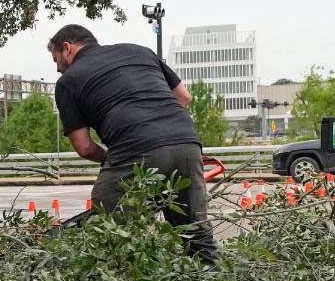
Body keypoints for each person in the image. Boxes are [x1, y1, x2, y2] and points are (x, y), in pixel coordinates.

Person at [48, 24, 217, 262]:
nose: (57, 69)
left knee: (111, 227)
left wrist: (111, 159)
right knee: (195, 231)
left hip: (134, 146)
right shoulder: (141, 51)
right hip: (186, 141)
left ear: (67, 48)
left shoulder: (68, 81)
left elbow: (84, 147)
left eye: (56, 60)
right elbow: (184, 97)